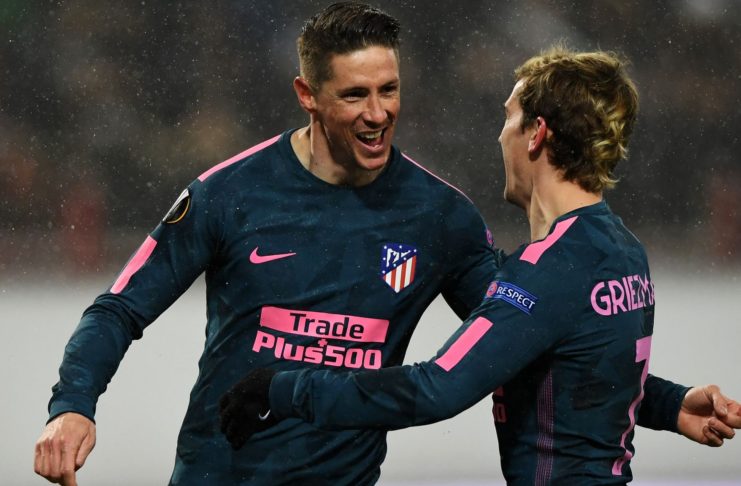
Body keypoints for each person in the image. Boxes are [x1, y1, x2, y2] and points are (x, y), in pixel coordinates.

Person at [34, 3, 736, 485]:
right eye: (354, 96)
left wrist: (662, 404)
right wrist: (73, 403)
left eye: (389, 90)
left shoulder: (440, 217)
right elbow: (118, 308)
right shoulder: (229, 193)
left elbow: (523, 343)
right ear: (307, 94)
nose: (378, 114)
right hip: (222, 476)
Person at [217, 46, 741, 485]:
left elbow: (434, 388)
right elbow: (584, 371)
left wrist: (281, 389)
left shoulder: (548, 268)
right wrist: (670, 404)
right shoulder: (621, 250)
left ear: (537, 133)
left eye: (508, 117)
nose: (500, 135)